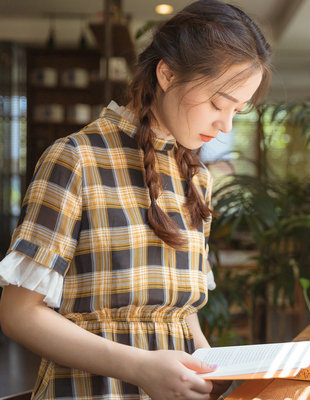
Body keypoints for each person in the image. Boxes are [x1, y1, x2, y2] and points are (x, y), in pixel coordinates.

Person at [0, 0, 271, 398]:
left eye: (238, 111)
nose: (225, 124)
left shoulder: (196, 178)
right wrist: (140, 368)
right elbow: (18, 314)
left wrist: (208, 367)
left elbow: (182, 316)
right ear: (167, 73)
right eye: (217, 103)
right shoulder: (76, 158)